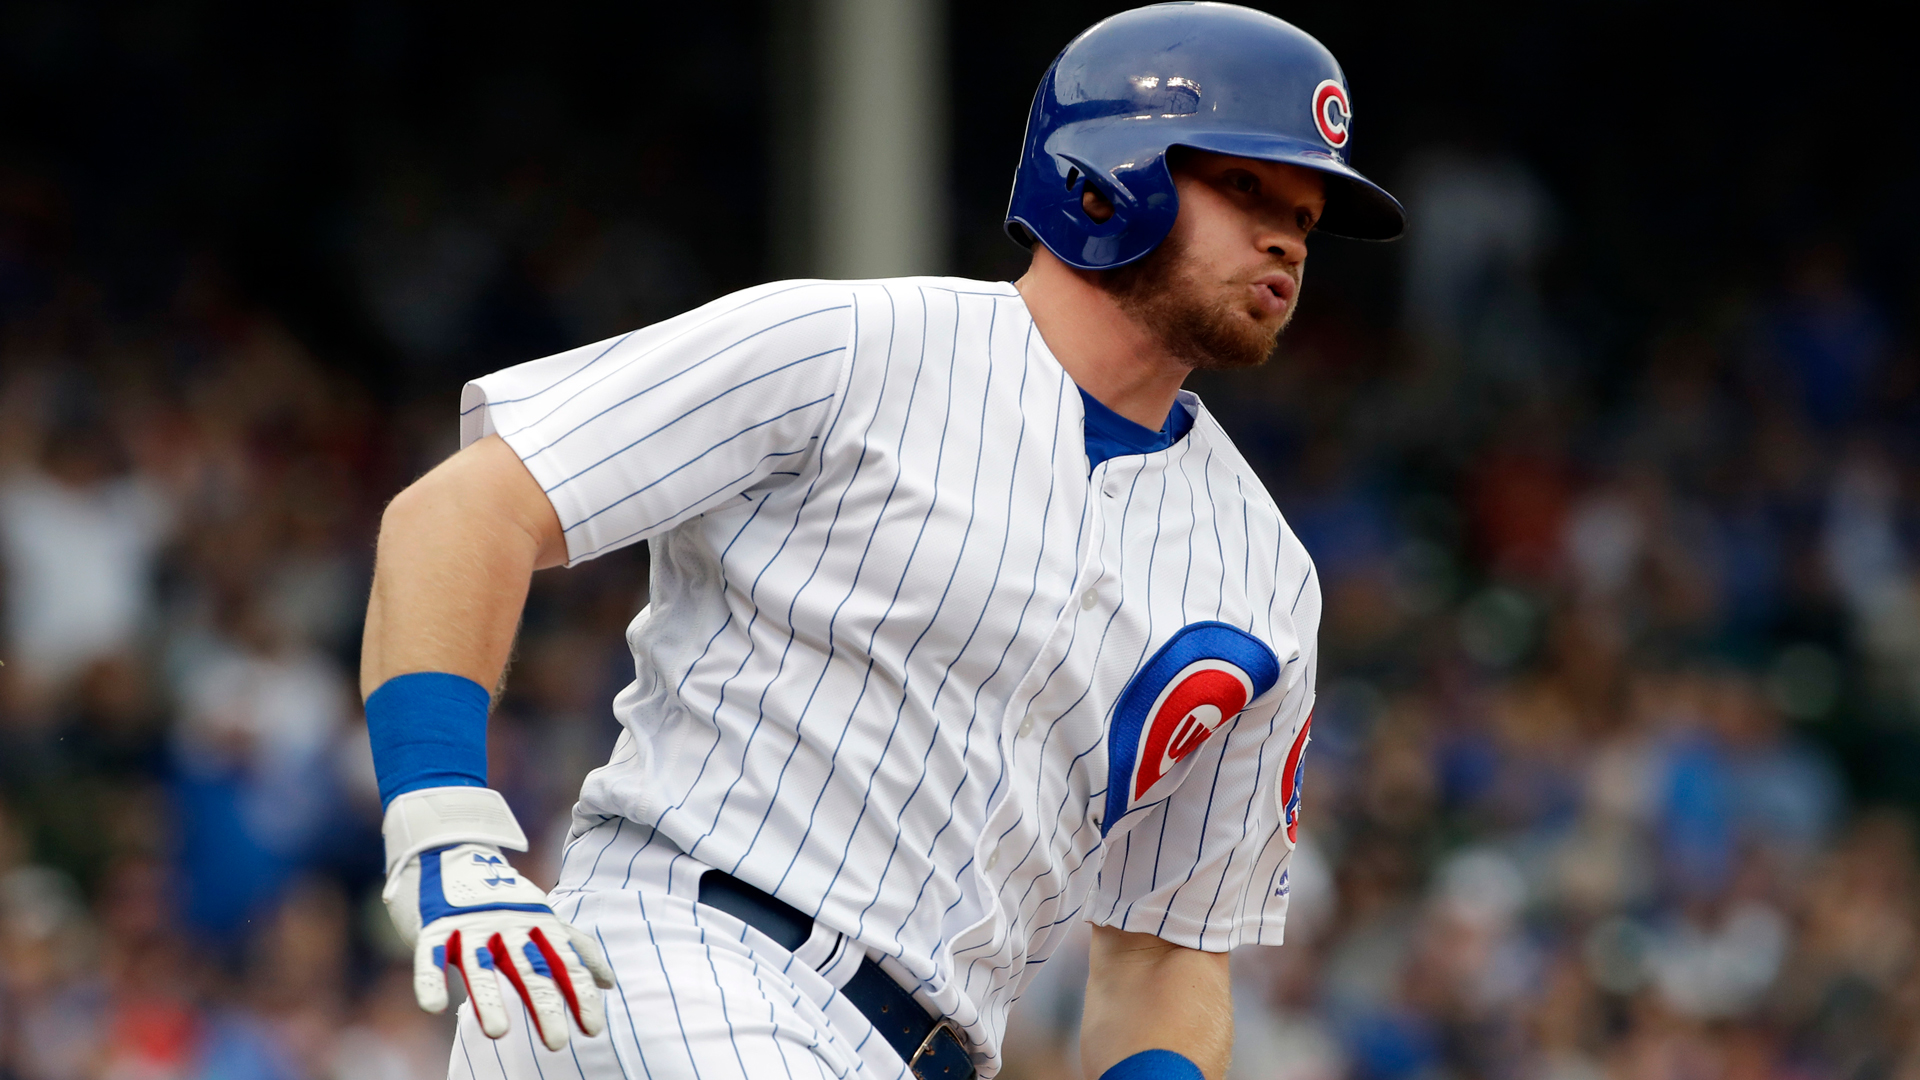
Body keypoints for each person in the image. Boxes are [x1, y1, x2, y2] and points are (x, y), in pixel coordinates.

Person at [358, 5, 1404, 1079]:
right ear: (1105, 176)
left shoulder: (1266, 577)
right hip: (684, 955)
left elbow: (1163, 952)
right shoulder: (853, 344)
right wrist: (446, 824)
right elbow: (464, 510)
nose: (1286, 239)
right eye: (1245, 188)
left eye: (1306, 215)